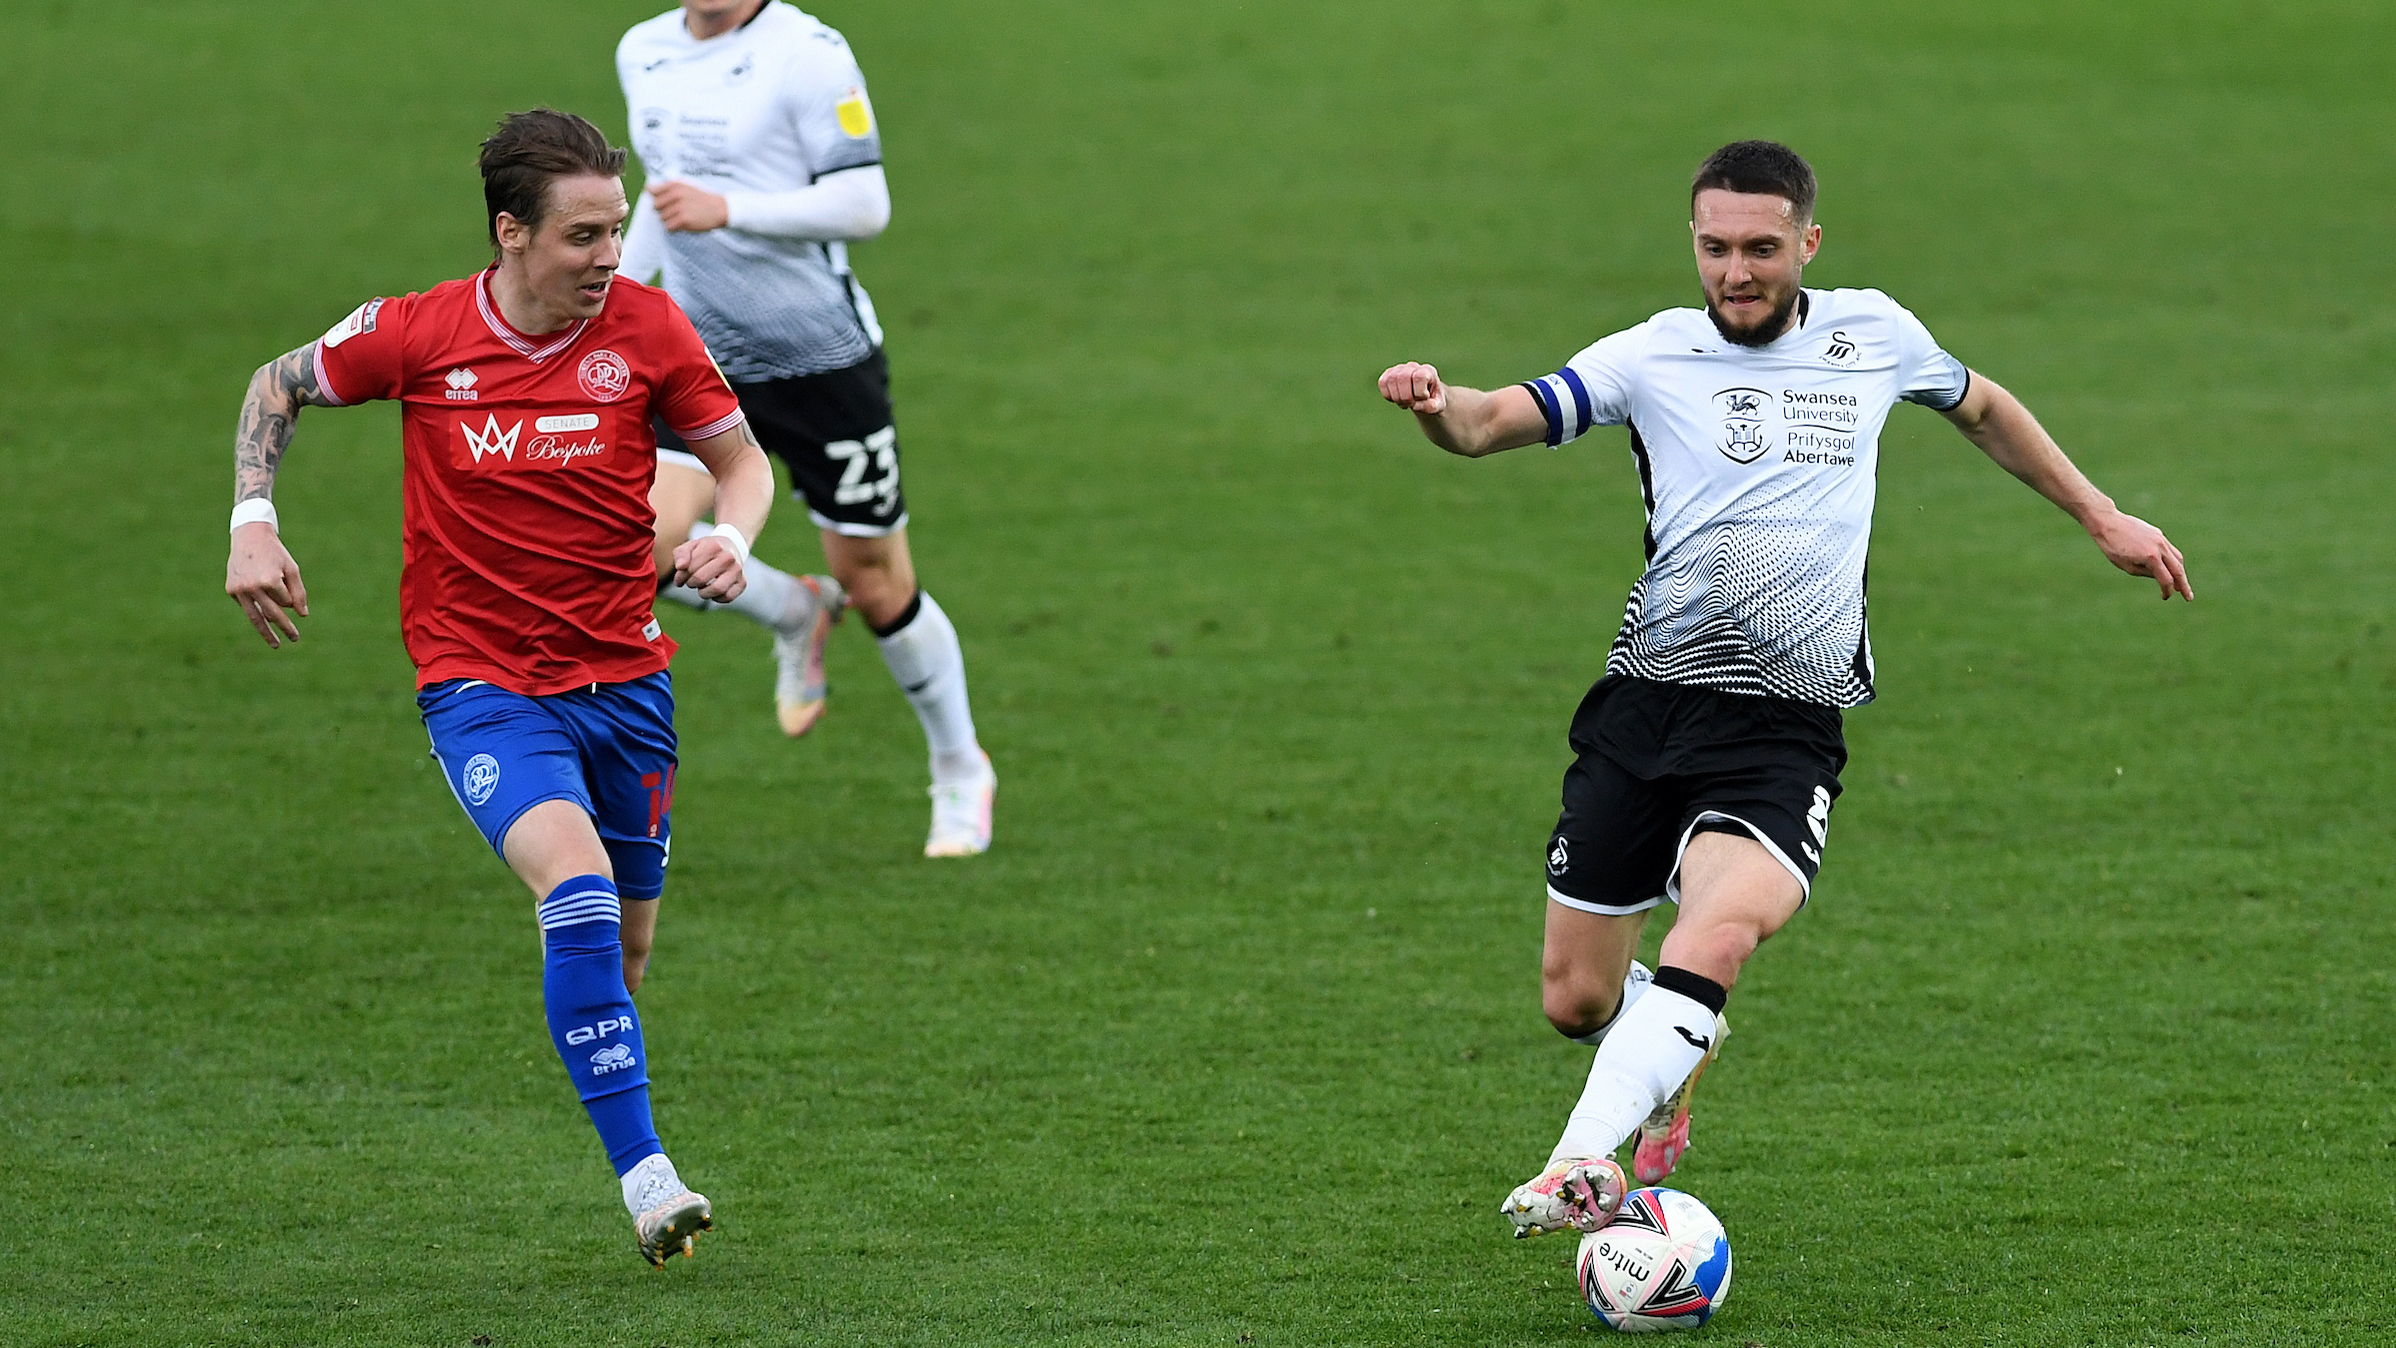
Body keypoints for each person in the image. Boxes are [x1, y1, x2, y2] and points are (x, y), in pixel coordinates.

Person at [1376, 140, 2192, 1242]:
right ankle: (1675, 1043)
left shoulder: (1873, 336)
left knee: (1714, 932)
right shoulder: (1648, 357)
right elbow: (1484, 424)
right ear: (1693, 244)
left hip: (1784, 730)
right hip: (1645, 711)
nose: (1736, 270)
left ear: (1806, 242)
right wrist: (1433, 402)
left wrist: (2099, 513)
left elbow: (1982, 404)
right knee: (1573, 998)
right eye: (1714, 247)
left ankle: (1580, 1161)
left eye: (1761, 248)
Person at [220, 108, 775, 1268]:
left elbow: (739, 460)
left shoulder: (647, 328)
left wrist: (734, 536)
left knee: (622, 952)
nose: (607, 256)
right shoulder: (418, 333)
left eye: (616, 230)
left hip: (627, 683)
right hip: (482, 685)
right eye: (582, 235)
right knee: (570, 892)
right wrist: (253, 523)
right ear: (510, 232)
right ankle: (648, 1177)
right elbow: (276, 385)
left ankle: (612, 1089)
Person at [615, 0, 996, 857]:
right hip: (699, 358)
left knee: (873, 579)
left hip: (821, 360)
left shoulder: (811, 55)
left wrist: (731, 208)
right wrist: (614, 306)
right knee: (633, 548)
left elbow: (865, 203)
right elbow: (664, 194)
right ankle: (790, 611)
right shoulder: (642, 50)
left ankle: (960, 766)